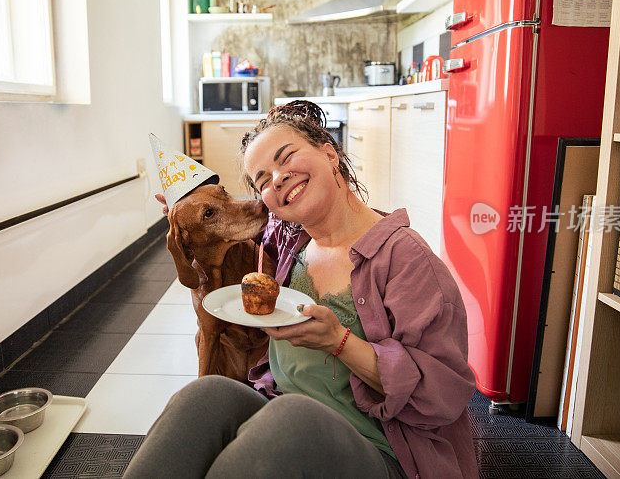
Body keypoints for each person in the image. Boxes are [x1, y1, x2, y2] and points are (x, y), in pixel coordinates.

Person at [124, 101, 478, 479]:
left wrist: (339, 341)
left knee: (291, 416)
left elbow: (443, 397)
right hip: (282, 417)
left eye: (286, 157)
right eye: (262, 180)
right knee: (202, 397)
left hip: (382, 450)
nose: (276, 179)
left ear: (330, 154)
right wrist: (190, 216)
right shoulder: (286, 240)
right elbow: (227, 228)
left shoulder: (408, 262)